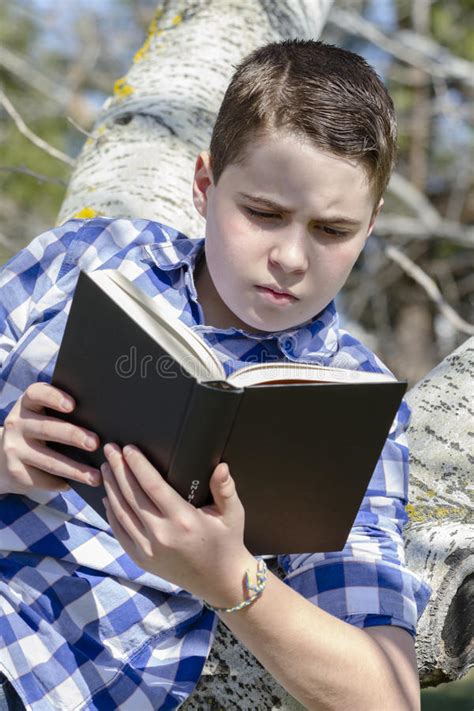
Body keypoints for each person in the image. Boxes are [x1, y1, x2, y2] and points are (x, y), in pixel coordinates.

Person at [0, 39, 432, 710]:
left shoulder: (345, 403)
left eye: (332, 230)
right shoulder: (88, 256)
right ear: (204, 186)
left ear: (371, 226)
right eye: (263, 213)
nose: (290, 256)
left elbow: (385, 696)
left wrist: (229, 577)